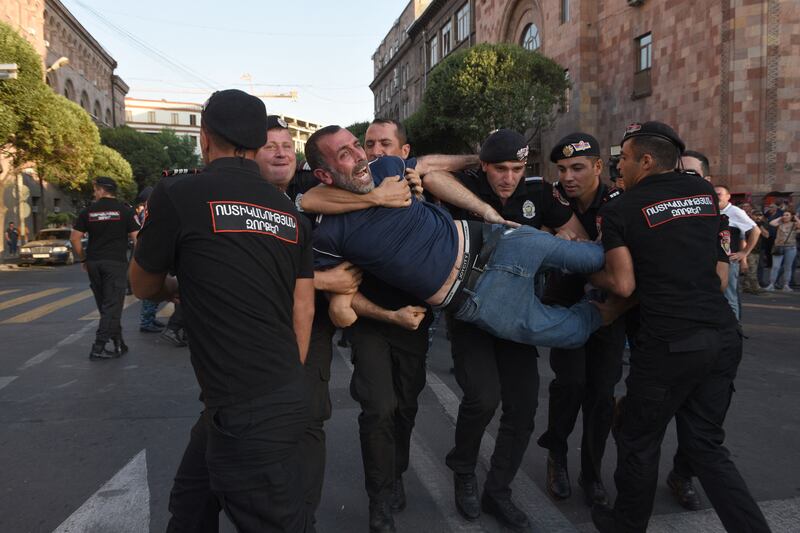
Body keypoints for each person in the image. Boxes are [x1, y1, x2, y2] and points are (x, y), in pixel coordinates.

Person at [131, 89, 315, 533]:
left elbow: (142, 285)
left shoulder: (178, 194)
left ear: (204, 137)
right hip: (277, 391)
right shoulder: (290, 215)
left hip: (245, 408)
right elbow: (303, 307)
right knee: (191, 505)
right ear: (256, 144)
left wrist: (175, 284)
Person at [589, 121, 771, 533]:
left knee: (638, 439)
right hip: (723, 336)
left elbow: (623, 284)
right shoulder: (706, 196)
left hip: (669, 343)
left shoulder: (620, 208)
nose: (621, 168)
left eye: (626, 159)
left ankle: (625, 525)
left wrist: (584, 268)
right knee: (707, 447)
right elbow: (721, 277)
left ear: (647, 161)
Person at [306, 125, 619, 352]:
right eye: (344, 154)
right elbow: (341, 302)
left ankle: (646, 284)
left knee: (595, 256)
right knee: (573, 332)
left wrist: (481, 161)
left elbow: (430, 165)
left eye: (356, 146)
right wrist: (373, 312)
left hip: (499, 245)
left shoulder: (388, 167)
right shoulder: (327, 234)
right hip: (479, 300)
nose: (361, 156)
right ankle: (617, 308)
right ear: (323, 175)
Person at [439, 129, 585, 530]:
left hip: (517, 314)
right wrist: (469, 161)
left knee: (522, 407)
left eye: (517, 168)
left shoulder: (539, 194)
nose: (508, 177)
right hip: (470, 314)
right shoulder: (463, 187)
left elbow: (578, 237)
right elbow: (428, 173)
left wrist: (550, 239)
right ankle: (464, 470)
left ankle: (498, 490)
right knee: (483, 398)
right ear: (484, 165)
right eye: (499, 168)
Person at [537, 133, 626, 508]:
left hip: (609, 312)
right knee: (570, 384)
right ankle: (556, 454)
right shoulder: (552, 201)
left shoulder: (620, 205)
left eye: (577, 168)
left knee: (601, 395)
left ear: (598, 167)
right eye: (561, 169)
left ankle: (591, 474)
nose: (568, 177)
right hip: (565, 307)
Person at [70, 177, 139, 359]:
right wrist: (134, 261)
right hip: (115, 264)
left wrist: (83, 258)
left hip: (94, 264)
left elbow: (75, 238)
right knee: (112, 305)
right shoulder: (125, 211)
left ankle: (118, 342)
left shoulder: (88, 212)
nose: (94, 193)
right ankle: (98, 347)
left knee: (106, 305)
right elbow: (137, 238)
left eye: (95, 189)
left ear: (101, 190)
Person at [715, 184, 759, 320]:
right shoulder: (713, 211)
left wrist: (744, 253)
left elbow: (755, 230)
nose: (715, 196)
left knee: (729, 296)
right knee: (723, 294)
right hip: (716, 259)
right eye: (713, 193)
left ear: (728, 197)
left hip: (729, 261)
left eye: (719, 194)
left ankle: (734, 329)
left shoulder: (734, 211)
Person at [133, 186, 165, 333]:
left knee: (154, 291)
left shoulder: (145, 212)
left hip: (150, 251)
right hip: (150, 252)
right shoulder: (146, 213)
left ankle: (149, 318)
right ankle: (146, 322)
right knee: (151, 292)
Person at [765, 210, 800, 291]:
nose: (785, 216)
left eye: (787, 215)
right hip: (778, 247)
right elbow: (772, 223)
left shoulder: (794, 224)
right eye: (784, 215)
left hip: (790, 247)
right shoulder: (780, 223)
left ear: (791, 216)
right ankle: (771, 284)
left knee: (788, 267)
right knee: (775, 267)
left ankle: (786, 285)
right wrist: (780, 217)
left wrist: (796, 218)